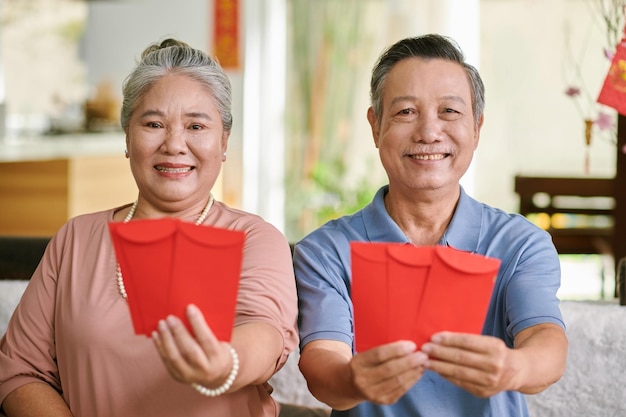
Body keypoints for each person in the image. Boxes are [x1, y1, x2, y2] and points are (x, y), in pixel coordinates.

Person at [0, 38, 298, 417]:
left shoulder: (255, 239)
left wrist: (224, 363)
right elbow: (19, 370)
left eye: (196, 125)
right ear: (127, 137)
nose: (174, 144)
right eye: (154, 123)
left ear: (223, 141)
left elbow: (267, 334)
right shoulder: (76, 239)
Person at [293, 34, 568, 416]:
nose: (428, 132)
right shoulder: (326, 251)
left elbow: (544, 340)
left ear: (477, 127)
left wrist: (513, 367)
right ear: (375, 126)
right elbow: (325, 362)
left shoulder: (520, 243)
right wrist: (354, 379)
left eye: (450, 112)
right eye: (405, 112)